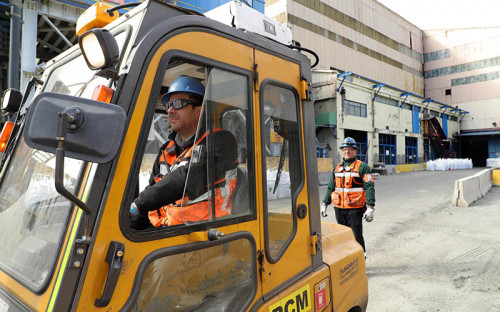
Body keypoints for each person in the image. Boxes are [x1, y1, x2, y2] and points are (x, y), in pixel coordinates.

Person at [129, 75, 238, 229]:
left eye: (178, 104)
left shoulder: (221, 141)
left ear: (199, 111)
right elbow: (153, 188)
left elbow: (188, 177)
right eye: (168, 105)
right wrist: (131, 223)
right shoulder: (166, 150)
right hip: (166, 232)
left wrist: (137, 205)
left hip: (206, 234)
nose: (171, 110)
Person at [321, 137, 375, 256]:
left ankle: (361, 257)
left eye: (350, 149)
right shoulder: (337, 167)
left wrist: (370, 207)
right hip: (339, 209)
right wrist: (325, 204)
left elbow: (369, 187)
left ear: (355, 151)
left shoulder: (362, 167)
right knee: (342, 236)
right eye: (345, 149)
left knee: (356, 235)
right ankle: (346, 258)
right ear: (342, 151)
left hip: (355, 209)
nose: (347, 152)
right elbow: (331, 187)